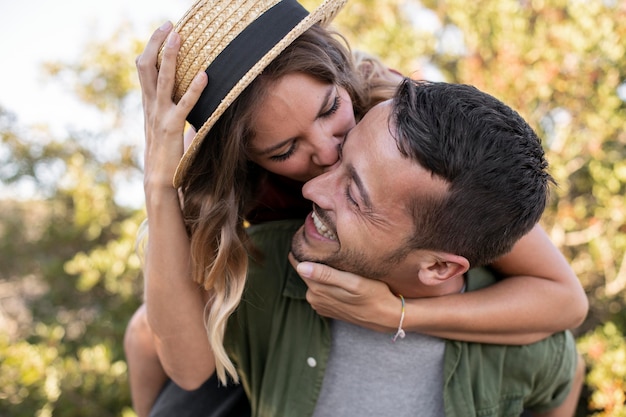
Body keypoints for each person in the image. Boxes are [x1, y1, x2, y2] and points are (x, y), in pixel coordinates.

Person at [128, 0, 588, 415]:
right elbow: (188, 366)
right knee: (145, 335)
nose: (328, 156)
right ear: (245, 159)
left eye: (330, 111)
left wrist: (395, 315)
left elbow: (563, 301)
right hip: (278, 331)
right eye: (286, 150)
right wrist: (159, 183)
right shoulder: (226, 191)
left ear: (343, 78)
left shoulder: (401, 129)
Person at [225, 79, 584, 417]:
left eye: (353, 196)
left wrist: (396, 316)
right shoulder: (257, 269)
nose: (311, 190)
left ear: (439, 268)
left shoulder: (526, 346)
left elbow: (567, 359)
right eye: (341, 159)